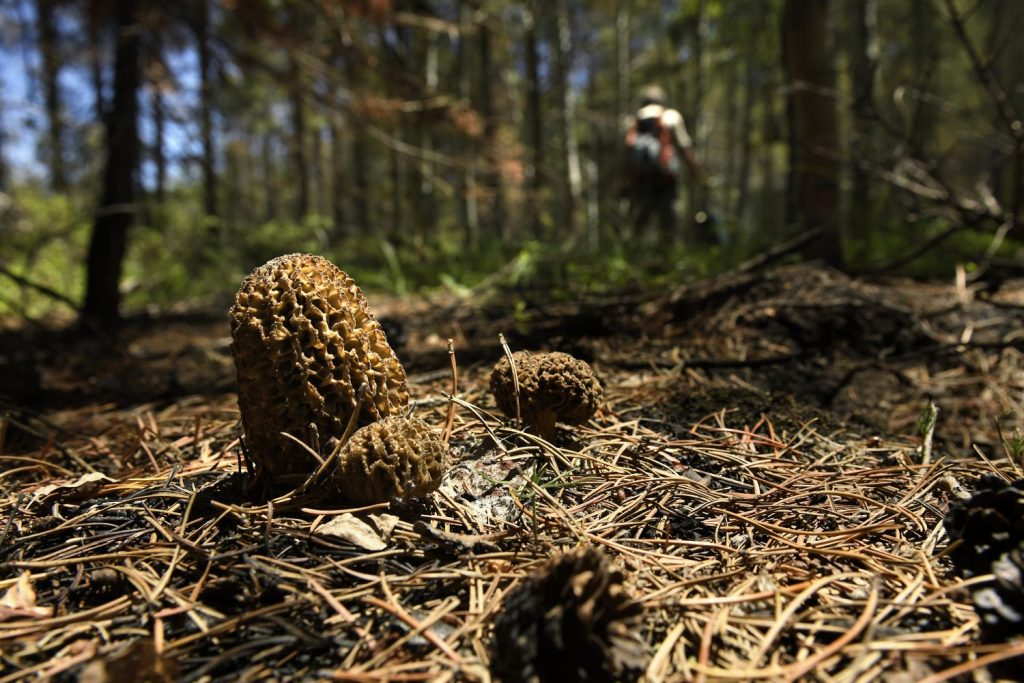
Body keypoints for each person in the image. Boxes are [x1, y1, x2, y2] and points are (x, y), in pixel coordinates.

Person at [623, 85, 708, 240]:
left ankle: (632, 255)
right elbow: (684, 147)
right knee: (668, 221)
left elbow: (626, 152)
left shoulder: (633, 119)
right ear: (662, 101)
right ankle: (668, 257)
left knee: (640, 220)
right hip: (665, 178)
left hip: (641, 180)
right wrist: (698, 174)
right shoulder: (670, 116)